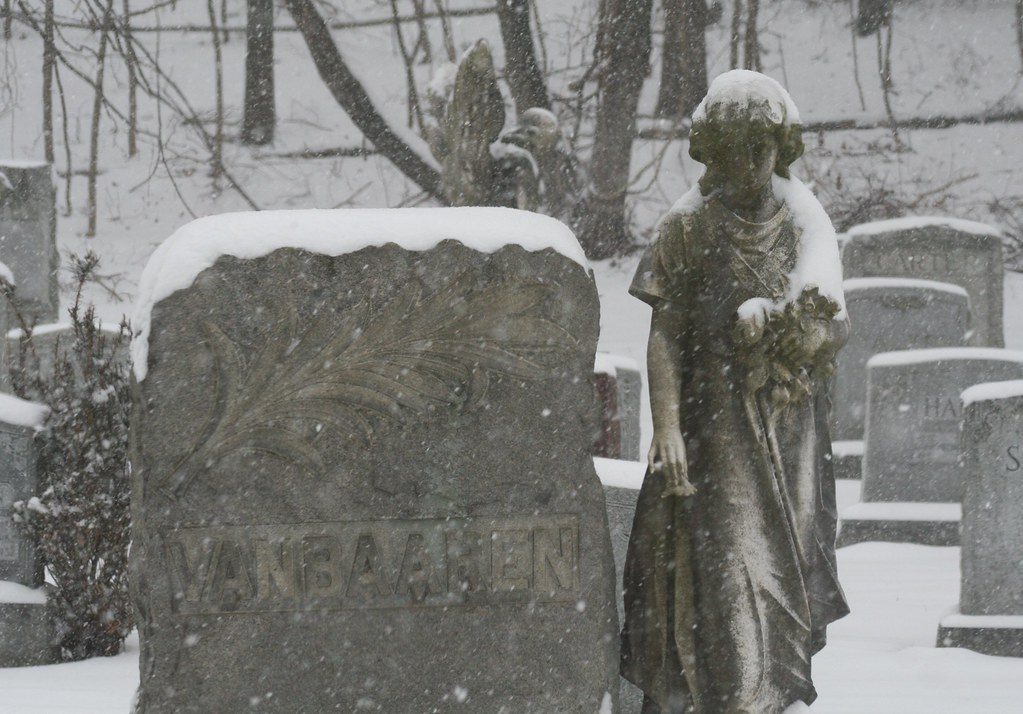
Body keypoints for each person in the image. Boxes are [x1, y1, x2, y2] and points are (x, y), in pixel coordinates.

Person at [620, 70, 850, 714]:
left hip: (791, 430)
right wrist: (665, 425)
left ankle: (764, 696)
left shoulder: (805, 221)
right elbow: (665, 333)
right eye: (733, 150)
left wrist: (798, 334)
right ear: (710, 152)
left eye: (761, 148)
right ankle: (729, 696)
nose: (749, 164)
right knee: (730, 572)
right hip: (715, 427)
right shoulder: (686, 226)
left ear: (781, 149)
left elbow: (835, 321)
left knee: (788, 574)